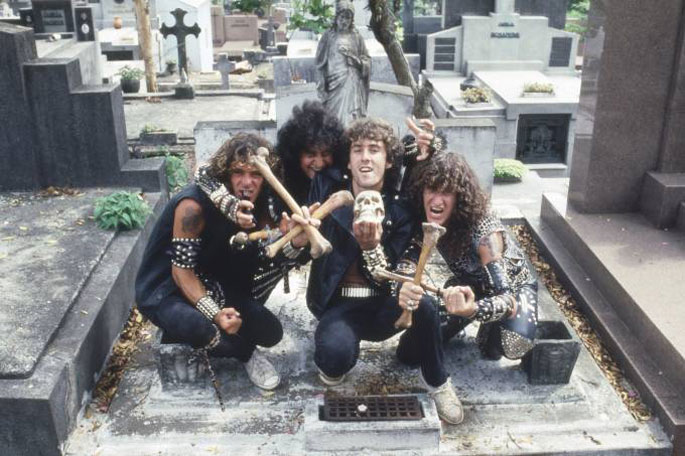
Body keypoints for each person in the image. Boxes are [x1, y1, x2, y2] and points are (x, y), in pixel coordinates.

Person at [304, 117, 464, 425]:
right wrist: (296, 239)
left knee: (425, 305)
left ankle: (437, 380)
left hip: (383, 304)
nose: (365, 157)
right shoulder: (327, 198)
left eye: (374, 150)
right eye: (358, 149)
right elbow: (301, 249)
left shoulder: (401, 212)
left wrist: (373, 249)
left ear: (389, 161)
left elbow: (394, 271)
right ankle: (336, 352)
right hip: (338, 307)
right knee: (333, 361)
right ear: (348, 161)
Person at [135, 133, 317, 391]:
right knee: (198, 327)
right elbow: (181, 272)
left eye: (256, 174)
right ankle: (244, 352)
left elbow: (265, 262)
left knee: (271, 332)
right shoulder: (193, 206)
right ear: (225, 174)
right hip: (167, 288)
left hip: (214, 284)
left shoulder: (264, 203)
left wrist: (292, 242)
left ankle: (201, 331)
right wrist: (216, 315)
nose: (247, 182)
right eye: (238, 172)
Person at [395, 151, 538, 374]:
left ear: (460, 197)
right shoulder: (427, 220)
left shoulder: (484, 232)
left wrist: (472, 310)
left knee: (511, 344)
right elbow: (409, 258)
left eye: (447, 192)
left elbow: (508, 300)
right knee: (409, 352)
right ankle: (468, 324)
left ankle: (494, 329)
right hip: (467, 286)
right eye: (431, 189)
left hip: (513, 288)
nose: (436, 201)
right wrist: (405, 282)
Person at [195, 100, 345, 229]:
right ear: (296, 153)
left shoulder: (342, 178)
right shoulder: (280, 170)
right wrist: (230, 205)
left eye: (325, 154)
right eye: (310, 155)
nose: (319, 163)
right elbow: (202, 171)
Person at [315, 0, 370, 125]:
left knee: (351, 118)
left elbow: (366, 60)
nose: (344, 21)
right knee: (333, 118)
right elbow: (319, 64)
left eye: (348, 18)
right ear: (336, 17)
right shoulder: (328, 36)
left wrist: (356, 61)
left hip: (351, 82)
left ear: (352, 20)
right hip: (333, 85)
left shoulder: (356, 37)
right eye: (342, 17)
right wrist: (321, 86)